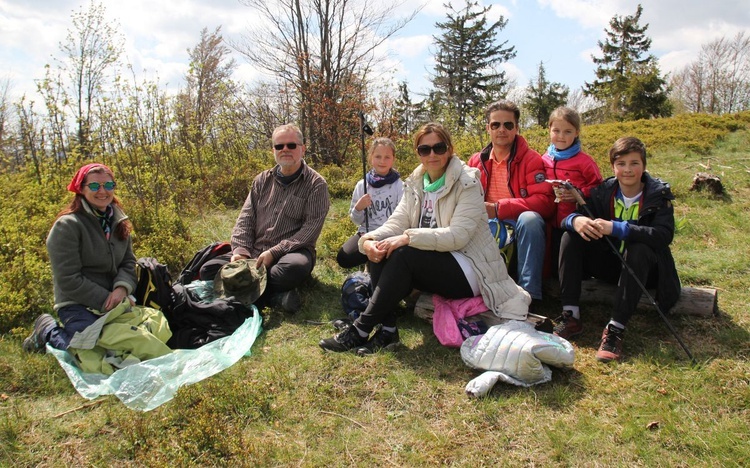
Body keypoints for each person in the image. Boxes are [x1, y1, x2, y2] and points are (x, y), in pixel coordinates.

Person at [319, 122, 530, 355]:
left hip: (471, 269)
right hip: (435, 262)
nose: (432, 154)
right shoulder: (416, 182)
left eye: (438, 147)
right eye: (424, 149)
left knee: (402, 253)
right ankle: (388, 330)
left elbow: (457, 237)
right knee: (383, 249)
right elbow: (396, 222)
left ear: (449, 149)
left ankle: (360, 329)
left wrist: (407, 238)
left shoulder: (467, 182)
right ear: (418, 153)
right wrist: (368, 241)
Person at [555, 137, 681, 362]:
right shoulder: (604, 191)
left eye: (634, 163)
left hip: (646, 271)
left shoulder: (658, 195)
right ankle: (570, 315)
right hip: (610, 264)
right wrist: (575, 221)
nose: (628, 170)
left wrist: (616, 228)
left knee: (639, 248)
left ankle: (616, 328)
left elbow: (663, 235)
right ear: (613, 167)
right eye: (621, 164)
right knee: (570, 237)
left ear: (644, 166)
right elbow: (571, 218)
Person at [201, 124, 331, 313]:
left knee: (293, 269)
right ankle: (275, 297)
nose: (285, 150)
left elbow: (309, 231)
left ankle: (239, 290)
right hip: (254, 250)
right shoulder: (261, 180)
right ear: (273, 151)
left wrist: (275, 252)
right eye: (279, 146)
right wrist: (241, 251)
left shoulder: (316, 184)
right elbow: (246, 218)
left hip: (290, 253)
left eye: (291, 145)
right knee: (208, 270)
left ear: (302, 148)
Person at [23, 163, 138, 352]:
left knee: (128, 343)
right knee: (86, 350)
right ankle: (47, 330)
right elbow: (68, 279)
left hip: (114, 299)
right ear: (81, 190)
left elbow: (128, 262)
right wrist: (107, 299)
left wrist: (121, 288)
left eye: (108, 186)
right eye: (94, 186)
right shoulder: (67, 226)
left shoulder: (118, 221)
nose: (102, 191)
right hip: (77, 302)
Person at [468, 100, 555, 308]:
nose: (501, 130)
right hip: (487, 223)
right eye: (496, 125)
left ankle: (530, 296)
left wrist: (498, 208)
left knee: (530, 219)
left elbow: (545, 203)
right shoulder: (476, 162)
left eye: (508, 125)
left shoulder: (531, 159)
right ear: (488, 128)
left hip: (518, 222)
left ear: (516, 128)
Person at [541, 106, 603, 267]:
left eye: (568, 132)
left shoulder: (584, 162)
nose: (561, 136)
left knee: (570, 264)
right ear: (549, 130)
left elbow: (599, 188)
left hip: (574, 224)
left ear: (576, 133)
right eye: (556, 131)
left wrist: (579, 193)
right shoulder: (544, 159)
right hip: (549, 222)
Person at [337, 137, 403, 269]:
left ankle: (376, 266)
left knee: (389, 258)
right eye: (378, 156)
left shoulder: (400, 186)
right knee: (343, 258)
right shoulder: (362, 185)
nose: (382, 161)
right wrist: (358, 208)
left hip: (391, 235)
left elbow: (403, 219)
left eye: (387, 157)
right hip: (366, 234)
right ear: (371, 158)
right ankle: (371, 260)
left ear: (393, 159)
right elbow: (356, 221)